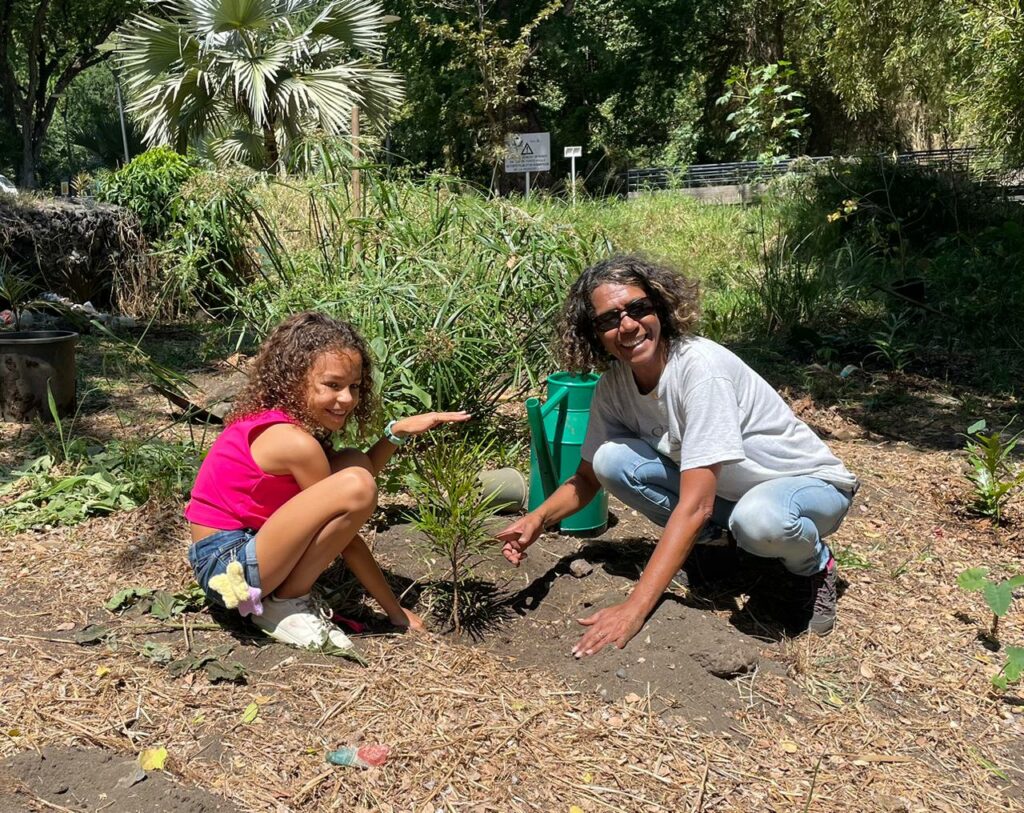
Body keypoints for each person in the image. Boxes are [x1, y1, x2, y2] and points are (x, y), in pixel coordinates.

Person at [497, 255, 858, 657]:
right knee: (611, 460)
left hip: (808, 488)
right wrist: (538, 519)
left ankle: (813, 566)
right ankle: (721, 548)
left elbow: (696, 504)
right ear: (593, 333)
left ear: (660, 308)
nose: (628, 326)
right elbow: (586, 479)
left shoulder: (699, 369)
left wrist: (635, 608)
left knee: (760, 520)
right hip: (730, 496)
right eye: (609, 320)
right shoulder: (614, 387)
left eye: (638, 308)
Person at [186, 311, 470, 651]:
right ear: (294, 380)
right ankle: (284, 603)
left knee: (352, 462)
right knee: (356, 484)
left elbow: (350, 484)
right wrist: (394, 611)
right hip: (229, 574)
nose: (347, 399)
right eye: (333, 385)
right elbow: (349, 518)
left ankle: (279, 595)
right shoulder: (295, 443)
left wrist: (395, 434)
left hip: (238, 554)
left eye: (354, 387)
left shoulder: (281, 422)